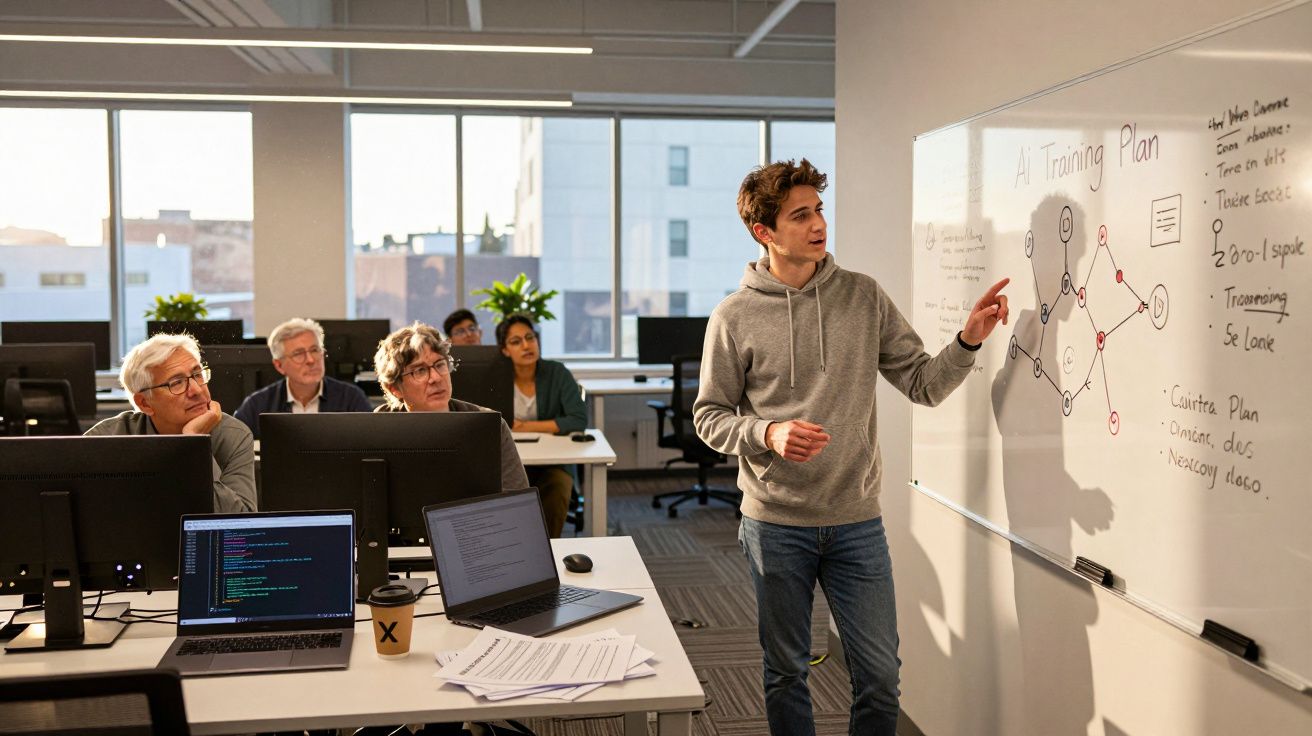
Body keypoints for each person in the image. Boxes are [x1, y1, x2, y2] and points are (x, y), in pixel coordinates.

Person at [692, 158, 1009, 736]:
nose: (818, 225)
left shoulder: (863, 297)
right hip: (775, 524)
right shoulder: (733, 317)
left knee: (880, 676)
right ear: (764, 232)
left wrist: (967, 341)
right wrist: (767, 433)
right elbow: (709, 418)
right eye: (800, 215)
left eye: (819, 211)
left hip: (856, 522)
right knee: (786, 671)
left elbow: (922, 384)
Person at [86, 332, 256, 513]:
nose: (197, 390)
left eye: (198, 374)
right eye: (177, 383)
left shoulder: (234, 435)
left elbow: (240, 522)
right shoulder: (105, 440)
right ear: (144, 403)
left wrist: (194, 445)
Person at [373, 321, 528, 493]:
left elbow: (516, 500)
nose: (436, 378)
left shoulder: (488, 425)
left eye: (440, 365)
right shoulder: (379, 429)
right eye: (420, 371)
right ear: (394, 388)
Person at [495, 313, 585, 538]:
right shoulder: (495, 377)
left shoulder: (557, 372)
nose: (526, 345)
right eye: (516, 341)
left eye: (530, 337)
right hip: (507, 462)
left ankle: (548, 547)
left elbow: (578, 419)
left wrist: (527, 427)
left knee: (560, 483)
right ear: (505, 349)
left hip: (550, 462)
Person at [233, 317, 372, 440]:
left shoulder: (351, 399)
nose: (311, 360)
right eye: (298, 354)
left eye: (315, 350)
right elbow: (232, 453)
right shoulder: (257, 406)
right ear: (279, 365)